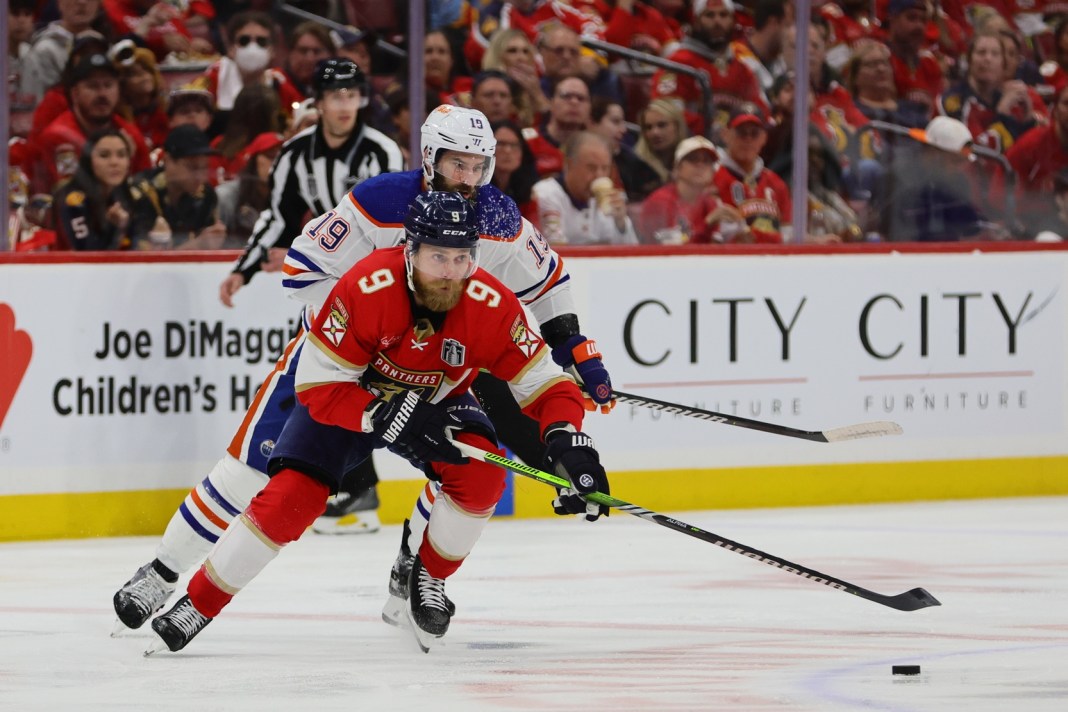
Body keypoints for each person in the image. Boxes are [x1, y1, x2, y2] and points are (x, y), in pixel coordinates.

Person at [111, 105, 615, 630]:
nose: (468, 178)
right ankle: (163, 572)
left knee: (465, 464)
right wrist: (371, 331)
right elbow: (302, 267)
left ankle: (418, 570)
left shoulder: (497, 218)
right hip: (341, 362)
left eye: (478, 166)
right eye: (456, 164)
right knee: (249, 470)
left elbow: (547, 282)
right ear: (429, 157)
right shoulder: (380, 201)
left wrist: (571, 345)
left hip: (429, 374)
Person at [220, 58, 402, 307]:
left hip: (378, 278)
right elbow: (279, 218)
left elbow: (390, 229)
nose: (345, 104)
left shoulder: (382, 151)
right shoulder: (295, 153)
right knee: (308, 344)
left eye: (352, 95)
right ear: (318, 102)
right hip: (329, 276)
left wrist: (314, 257)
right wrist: (243, 270)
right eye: (336, 96)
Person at [651, 0, 768, 138]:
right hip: (691, 146)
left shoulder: (742, 69)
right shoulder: (678, 63)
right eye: (709, 15)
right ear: (696, 21)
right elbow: (665, 111)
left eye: (723, 15)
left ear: (733, 21)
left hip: (736, 148)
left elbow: (762, 112)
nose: (717, 21)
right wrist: (711, 130)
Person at [935, 32, 1047, 154]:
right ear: (969, 60)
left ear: (1003, 65)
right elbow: (977, 153)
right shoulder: (954, 100)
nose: (987, 59)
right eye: (981, 52)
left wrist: (1027, 119)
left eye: (995, 54)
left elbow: (1027, 154)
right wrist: (1002, 113)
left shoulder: (1010, 100)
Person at [53, 128, 156, 250]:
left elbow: (145, 245)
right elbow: (87, 254)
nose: (114, 162)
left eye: (121, 155)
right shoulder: (73, 200)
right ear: (89, 160)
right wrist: (116, 227)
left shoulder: (133, 194)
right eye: (104, 155)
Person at [128, 125, 227, 250]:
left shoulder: (206, 194)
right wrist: (197, 245)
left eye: (205, 167)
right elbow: (142, 260)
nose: (200, 177)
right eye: (193, 167)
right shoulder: (142, 193)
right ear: (168, 160)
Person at [533, 130, 639, 245]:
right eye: (591, 168)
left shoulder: (610, 200)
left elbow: (631, 255)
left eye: (605, 168)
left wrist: (621, 224)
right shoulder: (546, 194)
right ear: (569, 164)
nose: (599, 175)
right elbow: (557, 251)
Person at [638, 135, 739, 244]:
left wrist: (739, 235)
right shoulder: (661, 201)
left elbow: (713, 246)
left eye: (706, 161)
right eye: (693, 159)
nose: (700, 164)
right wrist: (708, 223)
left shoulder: (711, 203)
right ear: (677, 168)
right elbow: (669, 251)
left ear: (713, 171)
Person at [712, 106, 792, 243]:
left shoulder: (775, 182)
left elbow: (789, 231)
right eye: (741, 132)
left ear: (764, 138)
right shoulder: (712, 178)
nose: (748, 139)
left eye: (754, 133)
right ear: (725, 135)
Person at [215, 132, 283, 248]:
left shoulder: (293, 197)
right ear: (252, 161)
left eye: (282, 157)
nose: (277, 163)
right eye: (271, 156)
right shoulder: (226, 196)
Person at [590, 97, 662, 202]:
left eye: (623, 122)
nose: (623, 130)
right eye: (615, 121)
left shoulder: (630, 161)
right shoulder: (570, 158)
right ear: (591, 123)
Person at [491, 120, 540, 222]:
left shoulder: (527, 192)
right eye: (500, 144)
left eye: (514, 145)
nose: (508, 151)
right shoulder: (475, 190)